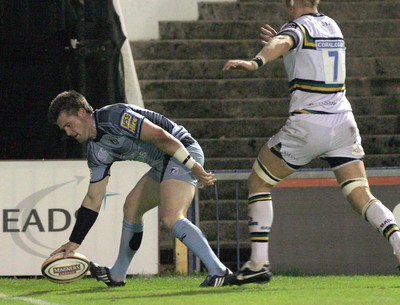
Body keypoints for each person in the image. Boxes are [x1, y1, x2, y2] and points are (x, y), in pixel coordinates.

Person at [222, 0, 400, 285]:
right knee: (360, 194)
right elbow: (303, 52)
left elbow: (283, 41)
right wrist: (286, 49)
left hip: (309, 122)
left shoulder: (295, 28)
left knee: (258, 181)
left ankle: (257, 263)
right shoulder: (333, 26)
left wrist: (255, 61)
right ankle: (399, 244)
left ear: (292, 3)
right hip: (343, 121)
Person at [47, 90, 233, 287]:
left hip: (182, 151)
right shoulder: (96, 151)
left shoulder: (115, 117)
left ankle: (219, 271)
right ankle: (117, 275)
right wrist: (74, 242)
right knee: (132, 207)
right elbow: (93, 199)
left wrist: (193, 166)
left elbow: (160, 136)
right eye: (64, 129)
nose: (68, 132)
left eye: (68, 125)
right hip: (163, 163)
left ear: (82, 112)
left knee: (171, 217)